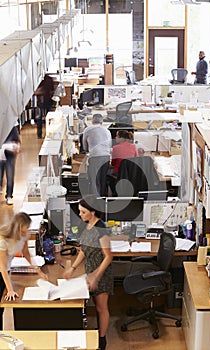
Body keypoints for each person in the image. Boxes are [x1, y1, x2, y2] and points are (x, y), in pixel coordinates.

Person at [63, 196, 113, 350]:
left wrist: (95, 277)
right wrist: (72, 268)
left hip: (101, 274)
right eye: (79, 211)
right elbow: (83, 250)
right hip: (90, 270)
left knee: (101, 307)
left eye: (83, 212)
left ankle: (102, 340)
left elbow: (109, 256)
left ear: (93, 212)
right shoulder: (87, 225)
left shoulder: (101, 230)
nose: (80, 214)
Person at [0, 212, 47, 329]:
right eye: (23, 231)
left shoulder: (24, 234)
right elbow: (2, 267)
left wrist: (38, 270)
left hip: (6, 269)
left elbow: (26, 253)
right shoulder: (3, 240)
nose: (26, 233)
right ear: (17, 228)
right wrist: (10, 290)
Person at [82, 114, 112, 196]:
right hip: (106, 156)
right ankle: (102, 200)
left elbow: (85, 146)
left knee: (95, 180)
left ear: (92, 121)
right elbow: (110, 145)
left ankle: (96, 201)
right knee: (103, 179)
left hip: (95, 156)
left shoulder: (87, 129)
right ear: (102, 121)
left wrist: (88, 150)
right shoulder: (107, 130)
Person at [0, 125, 21, 205]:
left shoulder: (12, 128)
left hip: (10, 155)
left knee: (10, 175)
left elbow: (18, 144)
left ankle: (9, 195)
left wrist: (13, 147)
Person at [34, 74, 55, 138]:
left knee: (43, 118)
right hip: (45, 100)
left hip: (43, 100)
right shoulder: (49, 79)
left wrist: (41, 91)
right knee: (42, 118)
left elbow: (35, 92)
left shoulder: (38, 80)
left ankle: (44, 134)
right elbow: (52, 91)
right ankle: (47, 134)